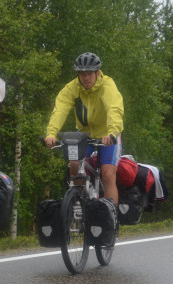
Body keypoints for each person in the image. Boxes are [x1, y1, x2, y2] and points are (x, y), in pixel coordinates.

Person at [44, 52, 124, 205]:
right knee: (74, 164)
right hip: (84, 135)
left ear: (97, 73)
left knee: (107, 174)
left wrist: (112, 132)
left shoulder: (107, 85)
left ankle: (109, 217)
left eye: (89, 74)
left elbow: (114, 109)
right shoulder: (72, 88)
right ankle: (78, 203)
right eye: (82, 74)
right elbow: (60, 110)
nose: (86, 78)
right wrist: (51, 134)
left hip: (108, 135)